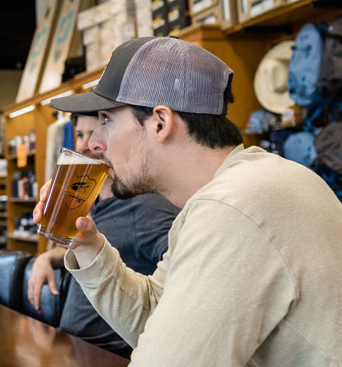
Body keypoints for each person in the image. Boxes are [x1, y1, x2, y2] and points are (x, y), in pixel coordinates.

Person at [33, 36, 342, 366]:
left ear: (160, 122)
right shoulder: (236, 189)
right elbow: (158, 316)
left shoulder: (234, 205)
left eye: (106, 119)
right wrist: (88, 247)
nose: (93, 143)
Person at [27, 114, 178, 358]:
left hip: (108, 356)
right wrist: (47, 258)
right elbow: (102, 249)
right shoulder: (94, 205)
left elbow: (183, 266)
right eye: (80, 135)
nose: (83, 145)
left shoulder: (145, 207)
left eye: (95, 133)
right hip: (71, 349)